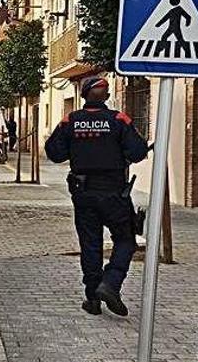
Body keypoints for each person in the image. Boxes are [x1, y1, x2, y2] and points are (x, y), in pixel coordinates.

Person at [44, 78, 148, 317]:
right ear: (106, 95)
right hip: (114, 193)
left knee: (90, 244)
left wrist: (77, 147)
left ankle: (92, 299)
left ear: (83, 96)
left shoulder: (70, 120)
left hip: (83, 193)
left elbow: (54, 153)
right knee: (125, 240)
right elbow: (138, 151)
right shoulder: (119, 120)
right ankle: (111, 283)